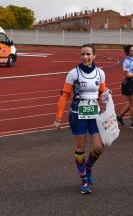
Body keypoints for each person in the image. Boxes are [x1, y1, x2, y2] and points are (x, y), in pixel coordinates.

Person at [54, 44, 108, 195]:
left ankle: (88, 167)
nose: (85, 57)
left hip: (94, 113)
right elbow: (64, 95)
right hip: (78, 113)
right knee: (81, 147)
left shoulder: (100, 73)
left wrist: (106, 96)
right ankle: (84, 180)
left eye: (88, 54)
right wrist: (58, 117)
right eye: (82, 54)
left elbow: (102, 91)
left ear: (94, 56)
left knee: (99, 146)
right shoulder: (74, 73)